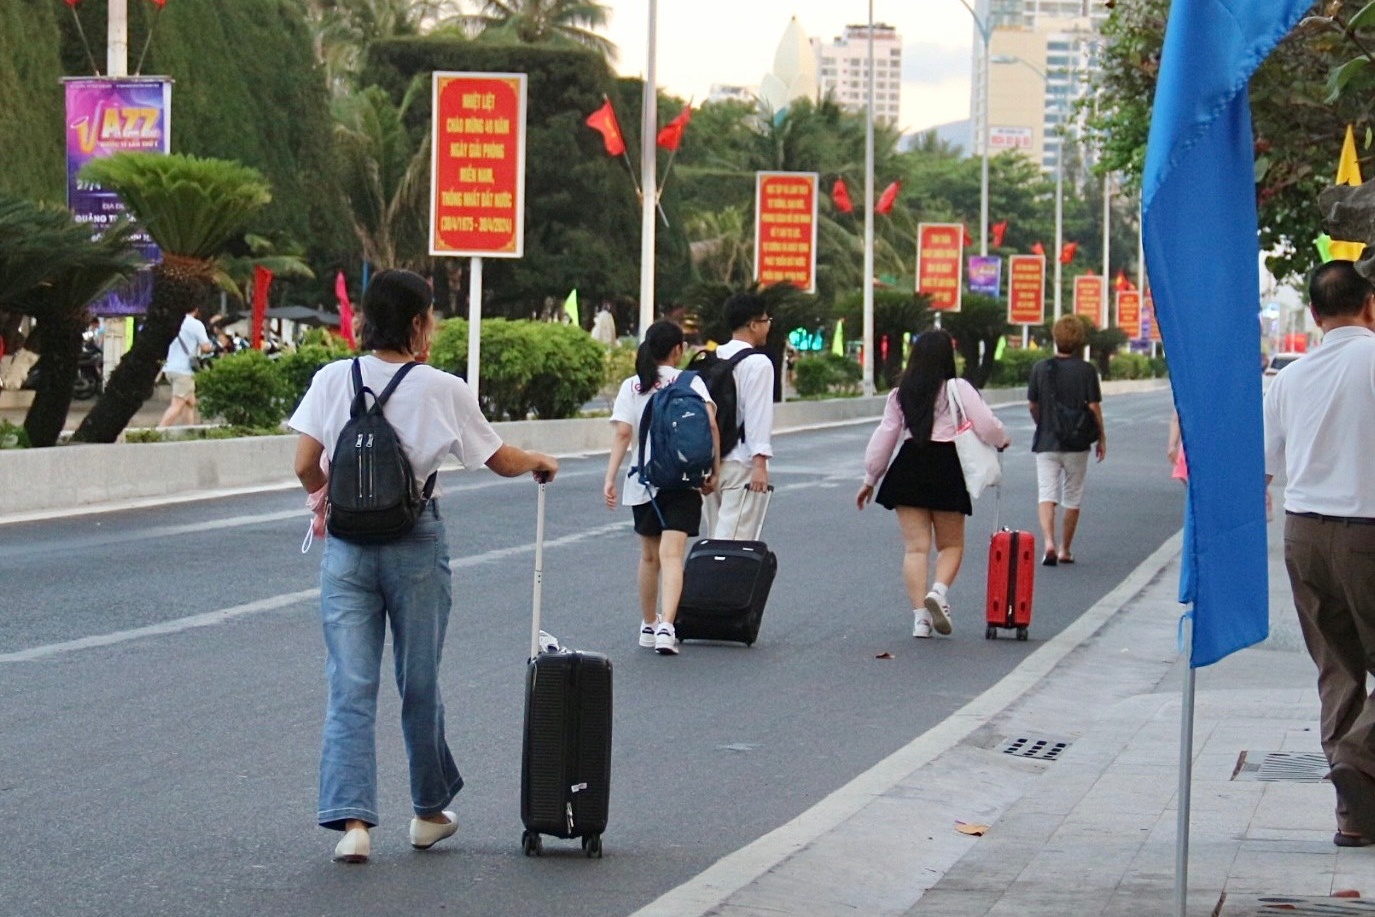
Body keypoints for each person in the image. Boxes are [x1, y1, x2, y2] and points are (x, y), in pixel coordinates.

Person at [288, 269, 559, 864]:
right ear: (417, 322)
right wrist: (539, 459)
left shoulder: (334, 378)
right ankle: (428, 812)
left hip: (348, 550)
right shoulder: (442, 387)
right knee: (419, 682)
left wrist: (331, 502)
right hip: (415, 541)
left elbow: (305, 460)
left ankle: (353, 824)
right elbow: (498, 458)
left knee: (350, 684)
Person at [1263, 259, 1375, 848]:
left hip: (1303, 534)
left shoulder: (1290, 378)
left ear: (1314, 314)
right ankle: (1357, 757)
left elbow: (1263, 467)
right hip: (1368, 533)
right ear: (1371, 305)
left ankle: (1354, 816)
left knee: (1338, 668)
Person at [857, 330, 1009, 638]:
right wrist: (1003, 439)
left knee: (915, 548)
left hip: (910, 465)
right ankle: (938, 593)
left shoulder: (901, 393)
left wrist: (870, 478)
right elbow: (986, 424)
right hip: (946, 467)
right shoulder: (958, 388)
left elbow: (885, 436)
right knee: (951, 544)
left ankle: (920, 619)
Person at [603, 320, 719, 655]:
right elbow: (711, 426)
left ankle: (649, 625)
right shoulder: (691, 382)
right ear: (679, 349)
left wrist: (610, 477)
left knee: (649, 556)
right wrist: (713, 472)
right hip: (683, 481)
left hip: (644, 482)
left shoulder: (633, 385)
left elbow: (623, 435)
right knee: (673, 556)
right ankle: (668, 625)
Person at [1027, 315, 1106, 566]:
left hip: (1047, 441)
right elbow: (1094, 407)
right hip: (1077, 443)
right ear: (1080, 341)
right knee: (1072, 495)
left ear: (1055, 337)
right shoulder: (1087, 370)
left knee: (1046, 493)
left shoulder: (1041, 368)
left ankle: (1048, 542)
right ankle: (1064, 549)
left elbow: (1033, 404)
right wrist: (1101, 437)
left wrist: (1043, 422)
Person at [703, 292, 775, 540]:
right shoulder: (759, 364)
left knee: (716, 535)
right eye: (766, 320)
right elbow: (758, 417)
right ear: (753, 325)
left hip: (709, 461)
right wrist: (760, 465)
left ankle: (711, 577)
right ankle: (718, 580)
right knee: (734, 541)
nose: (769, 325)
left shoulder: (711, 358)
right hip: (740, 462)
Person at [158, 306, 213, 428]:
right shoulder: (196, 325)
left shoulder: (173, 322)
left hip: (170, 368)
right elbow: (205, 347)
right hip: (184, 371)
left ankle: (189, 430)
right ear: (196, 310)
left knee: (190, 402)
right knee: (177, 405)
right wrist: (211, 347)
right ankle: (158, 432)